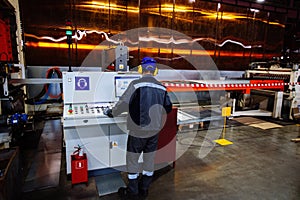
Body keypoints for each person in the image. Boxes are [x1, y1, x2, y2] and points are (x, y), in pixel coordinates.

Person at [105, 56, 172, 199]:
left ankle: (133, 192)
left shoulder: (136, 85)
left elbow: (123, 104)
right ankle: (144, 189)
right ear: (155, 71)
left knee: (133, 160)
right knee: (149, 160)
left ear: (141, 69)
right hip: (154, 131)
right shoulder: (162, 87)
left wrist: (111, 112)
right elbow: (168, 108)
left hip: (138, 131)